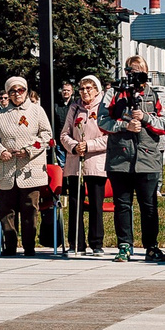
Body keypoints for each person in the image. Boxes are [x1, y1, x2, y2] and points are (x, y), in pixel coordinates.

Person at [104, 61, 165, 264]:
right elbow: (102, 122)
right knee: (122, 204)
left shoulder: (154, 94)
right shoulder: (114, 93)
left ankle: (151, 246)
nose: (135, 77)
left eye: (140, 73)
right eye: (131, 72)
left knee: (149, 206)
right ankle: (124, 246)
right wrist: (124, 125)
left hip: (147, 158)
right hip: (120, 158)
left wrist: (147, 118)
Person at [0, 77, 53, 257]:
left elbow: (46, 136)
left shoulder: (37, 111)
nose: (17, 94)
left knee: (29, 209)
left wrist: (29, 150)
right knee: (6, 210)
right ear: (7, 94)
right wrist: (0, 151)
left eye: (21, 90)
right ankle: (9, 245)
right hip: (8, 169)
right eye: (13, 91)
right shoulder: (1, 115)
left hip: (30, 168)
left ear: (26, 91)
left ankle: (29, 246)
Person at [59, 77, 109, 254]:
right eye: (81, 89)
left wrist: (89, 145)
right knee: (75, 202)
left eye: (88, 88)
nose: (85, 92)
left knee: (96, 203)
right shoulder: (74, 107)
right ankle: (76, 243)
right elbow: (64, 134)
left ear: (96, 89)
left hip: (96, 162)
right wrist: (74, 146)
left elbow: (109, 137)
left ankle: (96, 243)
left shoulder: (103, 107)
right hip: (75, 161)